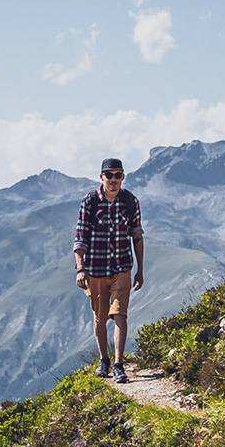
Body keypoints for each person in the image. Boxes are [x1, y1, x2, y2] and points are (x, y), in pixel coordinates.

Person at [74, 157, 144, 383]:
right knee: (100, 317)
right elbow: (80, 237)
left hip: (122, 266)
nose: (113, 179)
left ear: (123, 176)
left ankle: (119, 364)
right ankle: (104, 359)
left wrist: (140, 270)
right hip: (95, 268)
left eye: (118, 175)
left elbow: (137, 235)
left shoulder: (130, 201)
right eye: (109, 175)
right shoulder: (90, 201)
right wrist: (80, 269)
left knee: (120, 314)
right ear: (101, 177)